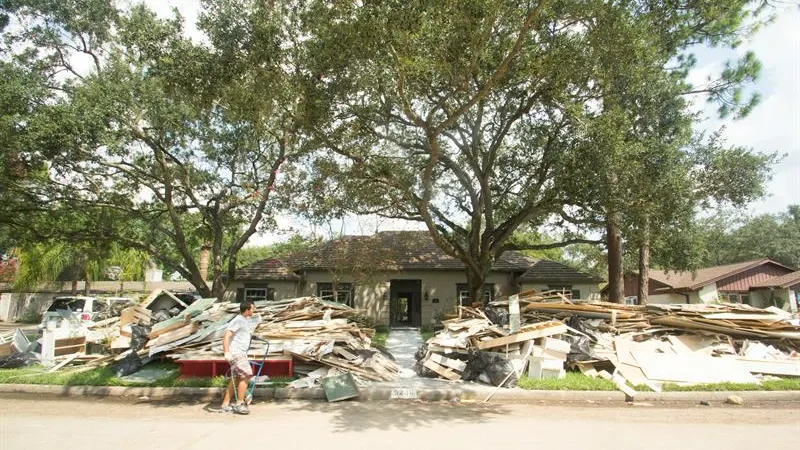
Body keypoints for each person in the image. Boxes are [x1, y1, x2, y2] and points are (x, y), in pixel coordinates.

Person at [219, 300, 261, 415]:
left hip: (241, 352)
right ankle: (239, 404)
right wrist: (226, 352)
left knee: (237, 378)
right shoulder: (238, 320)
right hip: (237, 353)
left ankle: (225, 405)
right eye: (253, 309)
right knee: (246, 375)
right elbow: (227, 335)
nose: (254, 311)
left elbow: (243, 334)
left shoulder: (245, 321)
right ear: (247, 310)